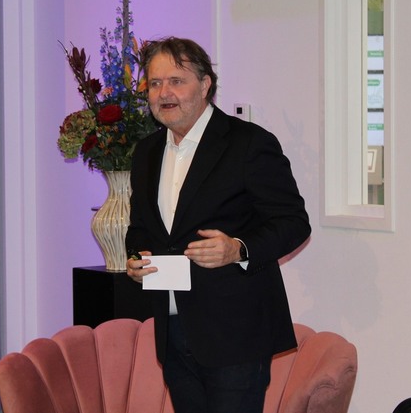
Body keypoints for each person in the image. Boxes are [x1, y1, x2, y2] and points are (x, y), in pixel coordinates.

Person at [125, 36, 311, 413]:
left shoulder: (248, 143)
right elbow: (141, 227)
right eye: (155, 83)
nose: (164, 93)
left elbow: (294, 222)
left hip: (236, 334)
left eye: (176, 81)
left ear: (205, 84)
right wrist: (135, 257)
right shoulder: (146, 152)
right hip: (173, 330)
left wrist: (238, 249)